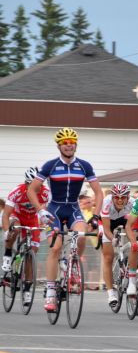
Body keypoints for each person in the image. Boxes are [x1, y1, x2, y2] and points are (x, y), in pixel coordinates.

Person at [28, 128, 103, 313]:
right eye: (65, 142)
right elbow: (32, 190)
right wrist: (40, 211)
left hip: (73, 208)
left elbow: (99, 192)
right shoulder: (50, 165)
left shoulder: (84, 165)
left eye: (72, 142)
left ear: (75, 145)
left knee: (82, 234)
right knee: (55, 246)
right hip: (54, 208)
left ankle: (73, 265)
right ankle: (51, 292)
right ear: (59, 145)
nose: (69, 145)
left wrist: (96, 215)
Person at [2, 168, 50, 306]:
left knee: (31, 254)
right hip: (16, 216)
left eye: (38, 184)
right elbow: (5, 215)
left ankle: (27, 289)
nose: (35, 188)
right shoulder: (16, 192)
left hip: (32, 219)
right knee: (14, 229)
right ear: (26, 183)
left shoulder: (46, 193)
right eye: (32, 184)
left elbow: (49, 211)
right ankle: (7, 255)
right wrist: (7, 234)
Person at [99, 183, 135, 307]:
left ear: (128, 197)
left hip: (125, 219)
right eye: (117, 197)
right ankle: (111, 293)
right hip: (108, 221)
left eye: (123, 197)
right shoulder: (106, 203)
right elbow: (107, 229)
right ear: (112, 197)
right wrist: (112, 239)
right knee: (108, 257)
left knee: (136, 239)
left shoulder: (133, 203)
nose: (120, 200)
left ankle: (132, 266)